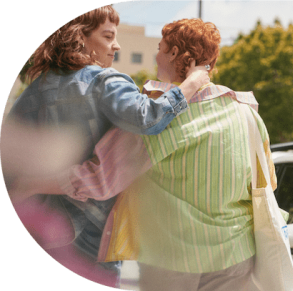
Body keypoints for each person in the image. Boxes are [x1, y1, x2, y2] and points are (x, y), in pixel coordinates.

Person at [8, 18, 278, 290]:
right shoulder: (246, 112)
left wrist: (30, 184)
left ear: (173, 54)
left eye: (160, 48)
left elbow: (100, 179)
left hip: (173, 258)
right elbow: (267, 181)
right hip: (237, 256)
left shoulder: (163, 118)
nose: (155, 56)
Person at [2, 6, 209, 288]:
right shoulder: (104, 81)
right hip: (90, 236)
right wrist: (192, 83)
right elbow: (148, 118)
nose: (117, 45)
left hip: (41, 228)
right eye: (108, 36)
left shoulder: (38, 87)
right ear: (80, 38)